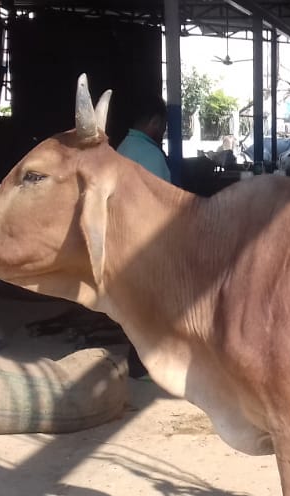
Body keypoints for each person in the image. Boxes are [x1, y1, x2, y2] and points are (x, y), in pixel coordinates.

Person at [116, 94, 172, 378]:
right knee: (151, 307)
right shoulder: (151, 155)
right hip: (148, 243)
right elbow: (165, 203)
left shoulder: (123, 149)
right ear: (155, 122)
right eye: (162, 126)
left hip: (124, 241)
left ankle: (138, 361)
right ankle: (143, 364)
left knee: (135, 306)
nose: (162, 133)